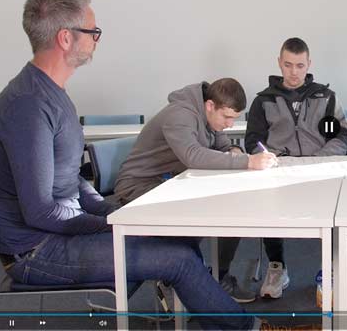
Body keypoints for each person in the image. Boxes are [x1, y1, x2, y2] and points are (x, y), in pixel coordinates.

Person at [0, 0, 264, 330]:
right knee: (178, 259)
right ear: (66, 39)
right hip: (37, 251)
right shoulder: (28, 105)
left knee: (181, 238)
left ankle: (205, 314)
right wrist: (112, 223)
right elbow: (41, 211)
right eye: (92, 32)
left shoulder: (53, 95)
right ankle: (249, 327)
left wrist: (110, 210)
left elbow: (70, 180)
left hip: (61, 233)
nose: (97, 38)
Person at [113, 78, 277, 302]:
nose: (230, 124)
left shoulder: (211, 117)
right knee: (197, 217)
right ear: (210, 106)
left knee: (232, 209)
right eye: (227, 117)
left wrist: (236, 151)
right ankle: (177, 279)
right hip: (138, 187)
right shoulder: (180, 115)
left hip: (169, 183)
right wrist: (247, 161)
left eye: (234, 118)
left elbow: (223, 147)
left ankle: (216, 277)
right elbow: (192, 155)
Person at [244, 37, 347, 299]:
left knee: (334, 216)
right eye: (288, 65)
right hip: (279, 171)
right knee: (269, 212)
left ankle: (331, 270)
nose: (294, 72)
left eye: (300, 65)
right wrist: (265, 156)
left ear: (309, 64)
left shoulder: (325, 97)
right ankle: (277, 266)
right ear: (279, 63)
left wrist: (321, 159)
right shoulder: (264, 101)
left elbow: (338, 135)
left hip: (319, 169)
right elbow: (253, 140)